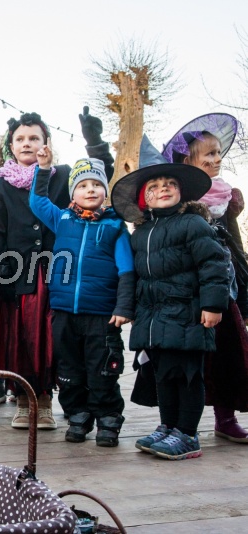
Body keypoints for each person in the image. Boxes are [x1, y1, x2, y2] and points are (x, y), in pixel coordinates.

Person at [0, 109, 112, 429]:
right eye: (20, 139)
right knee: (21, 340)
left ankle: (46, 401)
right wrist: (0, 276)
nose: (27, 144)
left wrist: (94, 141)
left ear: (46, 144)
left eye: (34, 138)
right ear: (10, 146)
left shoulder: (63, 175)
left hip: (57, 272)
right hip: (17, 275)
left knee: (53, 340)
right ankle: (24, 401)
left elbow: (99, 176)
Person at [111, 137, 230, 460]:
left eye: (169, 183)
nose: (163, 188)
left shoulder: (192, 224)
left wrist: (212, 304)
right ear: (144, 199)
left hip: (189, 315)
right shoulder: (142, 234)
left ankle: (187, 434)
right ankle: (167, 426)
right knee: (163, 375)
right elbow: (135, 276)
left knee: (187, 376)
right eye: (154, 186)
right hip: (154, 318)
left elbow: (213, 264)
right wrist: (131, 308)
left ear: (181, 192)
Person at [30, 155, 134, 446]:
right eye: (83, 185)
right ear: (72, 192)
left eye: (96, 185)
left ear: (105, 192)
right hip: (64, 312)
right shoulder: (62, 219)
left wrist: (123, 306)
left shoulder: (114, 227)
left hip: (102, 315)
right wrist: (44, 170)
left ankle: (108, 422)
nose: (90, 190)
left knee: (103, 371)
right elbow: (37, 203)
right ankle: (78, 417)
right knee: (69, 372)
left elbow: (127, 269)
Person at [162, 114, 248, 444]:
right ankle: (179, 423)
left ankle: (225, 417)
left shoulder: (227, 197)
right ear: (189, 160)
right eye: (207, 154)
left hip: (224, 285)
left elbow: (235, 245)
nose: (216, 160)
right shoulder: (179, 199)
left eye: (217, 154)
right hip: (188, 289)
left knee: (227, 353)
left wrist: (241, 287)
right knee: (188, 358)